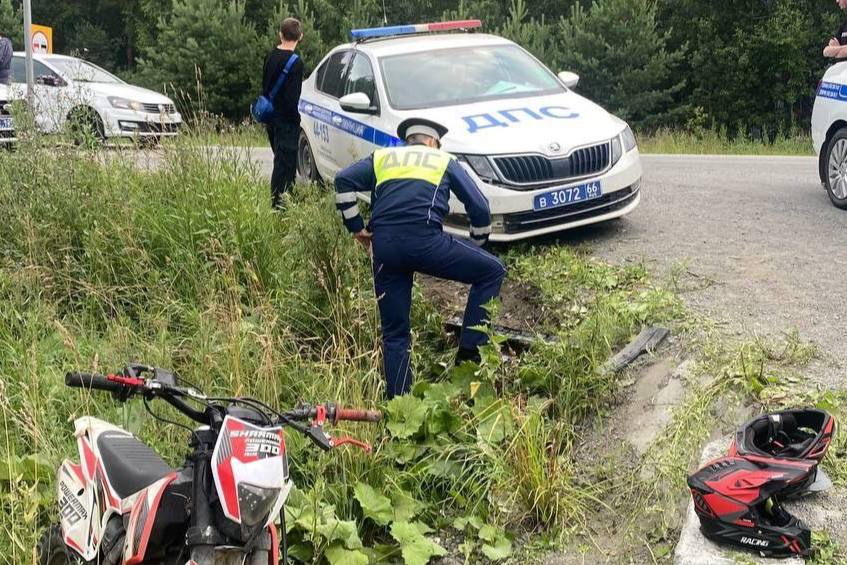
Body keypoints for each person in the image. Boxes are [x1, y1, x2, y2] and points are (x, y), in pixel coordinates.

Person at [334, 118, 507, 399]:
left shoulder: (383, 158)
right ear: (432, 142)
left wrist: (358, 229)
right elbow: (480, 208)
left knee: (395, 334)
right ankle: (468, 358)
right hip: (427, 243)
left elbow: (343, 180)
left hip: (385, 248)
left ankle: (398, 408)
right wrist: (477, 246)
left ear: (408, 141)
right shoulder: (442, 160)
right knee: (492, 271)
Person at [262, 18, 304, 209]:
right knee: (285, 167)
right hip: (287, 122)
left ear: (280, 34)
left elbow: (265, 86)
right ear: (300, 37)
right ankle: (280, 206)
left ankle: (283, 203)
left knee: (279, 159)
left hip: (270, 118)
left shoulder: (270, 56)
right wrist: (296, 119)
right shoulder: (296, 62)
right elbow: (291, 99)